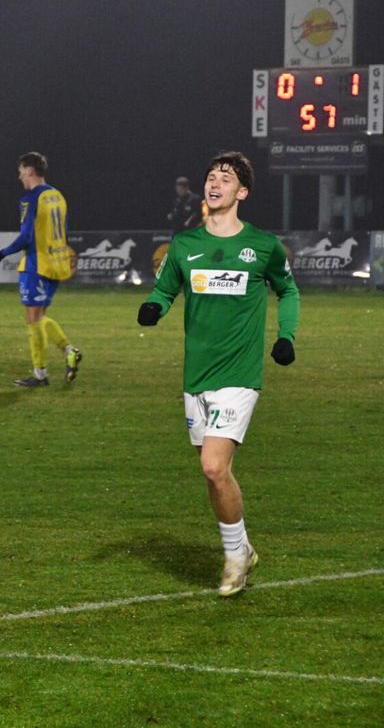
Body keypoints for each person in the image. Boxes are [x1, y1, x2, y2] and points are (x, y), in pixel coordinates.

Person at [137, 151, 300, 597]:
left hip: (240, 373)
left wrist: (286, 336)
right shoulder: (185, 245)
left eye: (225, 178)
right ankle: (243, 547)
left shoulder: (263, 246)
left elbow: (288, 290)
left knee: (213, 467)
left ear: (241, 192)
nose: (215, 183)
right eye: (211, 177)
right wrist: (155, 305)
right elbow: (167, 285)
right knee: (215, 473)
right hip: (197, 374)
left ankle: (233, 561)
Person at [0, 152, 82, 388]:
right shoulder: (58, 196)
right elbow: (64, 231)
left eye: (21, 171)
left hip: (36, 264)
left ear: (30, 171)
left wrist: (1, 253)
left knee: (33, 319)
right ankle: (69, 351)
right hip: (56, 263)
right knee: (39, 317)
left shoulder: (30, 199)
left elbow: (25, 237)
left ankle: (40, 374)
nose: (20, 176)